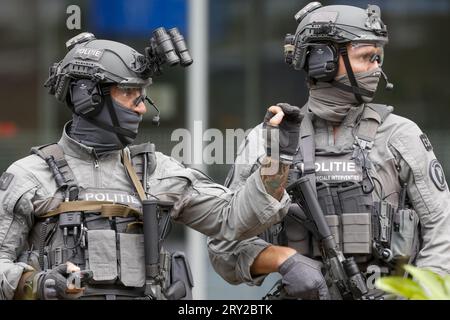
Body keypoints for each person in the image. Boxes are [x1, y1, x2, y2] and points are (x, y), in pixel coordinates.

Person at [0, 29, 301, 300]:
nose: (142, 107)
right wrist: (38, 284)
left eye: (143, 95)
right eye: (129, 93)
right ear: (86, 96)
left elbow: (235, 218)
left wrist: (278, 157)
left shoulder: (157, 169)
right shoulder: (29, 175)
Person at [207, 2, 450, 300]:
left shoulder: (401, 136)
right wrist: (285, 260)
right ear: (323, 59)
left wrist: (414, 294)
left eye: (379, 57)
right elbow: (224, 248)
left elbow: (442, 234)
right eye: (366, 57)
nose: (377, 68)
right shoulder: (271, 140)